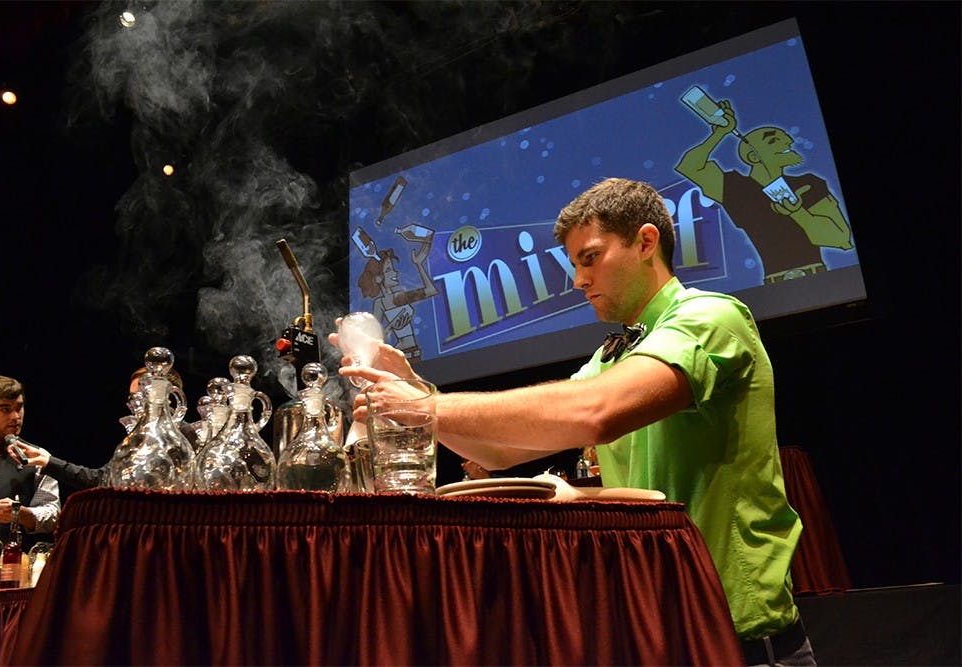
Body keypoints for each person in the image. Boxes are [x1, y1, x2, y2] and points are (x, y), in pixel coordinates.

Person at [340, 178, 814, 665]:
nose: (578, 280)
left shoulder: (712, 316)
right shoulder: (615, 356)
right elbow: (497, 452)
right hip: (659, 635)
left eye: (590, 258)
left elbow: (595, 412)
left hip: (740, 643)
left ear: (646, 242)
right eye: (574, 264)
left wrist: (427, 410)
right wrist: (423, 395)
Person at [675, 98, 852, 283]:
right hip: (774, 286)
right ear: (753, 156)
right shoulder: (735, 188)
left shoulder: (809, 183)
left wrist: (798, 213)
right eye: (773, 140)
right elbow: (689, 167)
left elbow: (840, 238)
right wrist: (720, 133)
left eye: (785, 138)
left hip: (819, 280)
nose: (788, 141)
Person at [10, 367, 198, 490]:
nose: (135, 404)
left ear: (169, 395)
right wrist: (47, 461)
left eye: (141, 395)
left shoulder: (186, 434)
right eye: (132, 398)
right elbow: (101, 479)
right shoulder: (136, 436)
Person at [0, 375, 60, 546]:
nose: (16, 416)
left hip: (13, 559)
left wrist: (22, 514)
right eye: (5, 409)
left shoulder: (39, 456)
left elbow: (52, 514)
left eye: (19, 408)